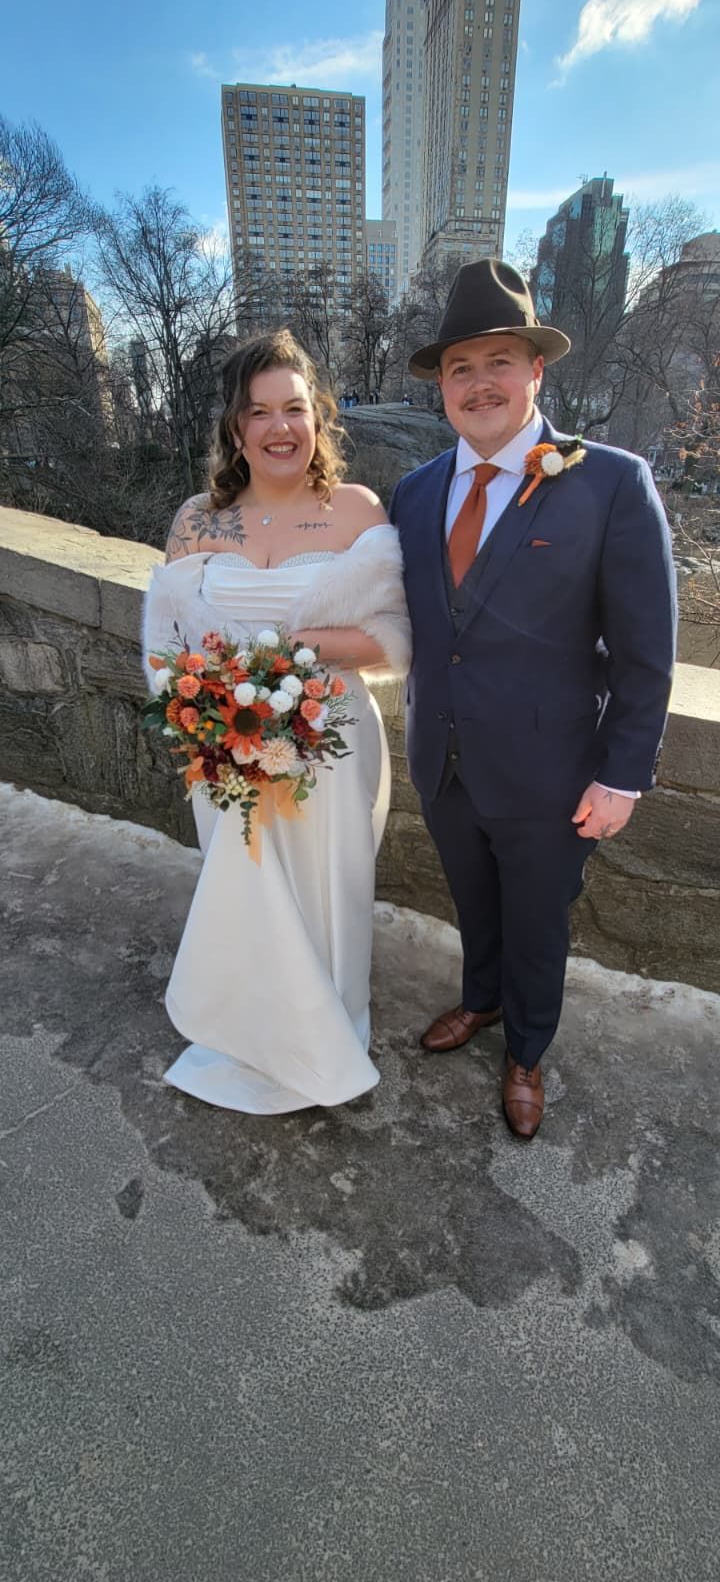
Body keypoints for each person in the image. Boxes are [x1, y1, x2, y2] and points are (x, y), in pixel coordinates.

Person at [389, 259, 677, 1140]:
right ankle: (478, 1001)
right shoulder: (413, 492)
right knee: (472, 902)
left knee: (538, 920)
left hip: (553, 773)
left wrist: (623, 775)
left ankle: (527, 1047)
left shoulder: (611, 483)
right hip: (440, 758)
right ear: (442, 384)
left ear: (536, 371)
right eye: (460, 368)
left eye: (499, 362)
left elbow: (646, 651)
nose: (480, 384)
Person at [142, 329, 410, 1114]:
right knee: (246, 889)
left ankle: (325, 1030)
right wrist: (203, 722)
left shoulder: (355, 509)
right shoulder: (197, 520)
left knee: (327, 889)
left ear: (317, 418)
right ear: (235, 427)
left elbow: (395, 637)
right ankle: (252, 1027)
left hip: (328, 747)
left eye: (294, 408)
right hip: (225, 752)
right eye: (259, 412)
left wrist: (296, 653)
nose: (279, 427)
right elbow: (166, 645)